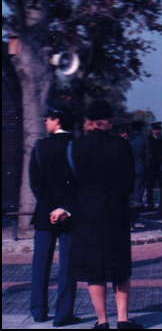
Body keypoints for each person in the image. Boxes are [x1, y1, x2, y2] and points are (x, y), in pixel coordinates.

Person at [52, 99, 141, 329]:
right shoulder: (122, 146)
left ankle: (102, 322)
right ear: (110, 121)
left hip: (87, 215)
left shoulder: (75, 147)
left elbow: (68, 183)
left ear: (88, 121)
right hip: (116, 212)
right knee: (120, 267)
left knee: (95, 270)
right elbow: (131, 181)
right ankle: (123, 319)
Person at [28, 98, 79, 326]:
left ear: (56, 120)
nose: (45, 121)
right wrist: (65, 208)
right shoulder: (76, 146)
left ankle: (38, 309)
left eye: (47, 118)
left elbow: (35, 183)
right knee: (68, 265)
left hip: (44, 212)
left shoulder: (40, 147)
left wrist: (50, 207)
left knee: (41, 263)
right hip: (69, 214)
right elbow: (80, 182)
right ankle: (63, 314)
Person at [146, 121, 162, 210]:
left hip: (160, 164)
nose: (157, 131)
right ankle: (150, 203)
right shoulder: (149, 139)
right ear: (152, 130)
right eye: (156, 130)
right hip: (152, 165)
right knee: (150, 186)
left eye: (159, 130)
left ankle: (161, 203)